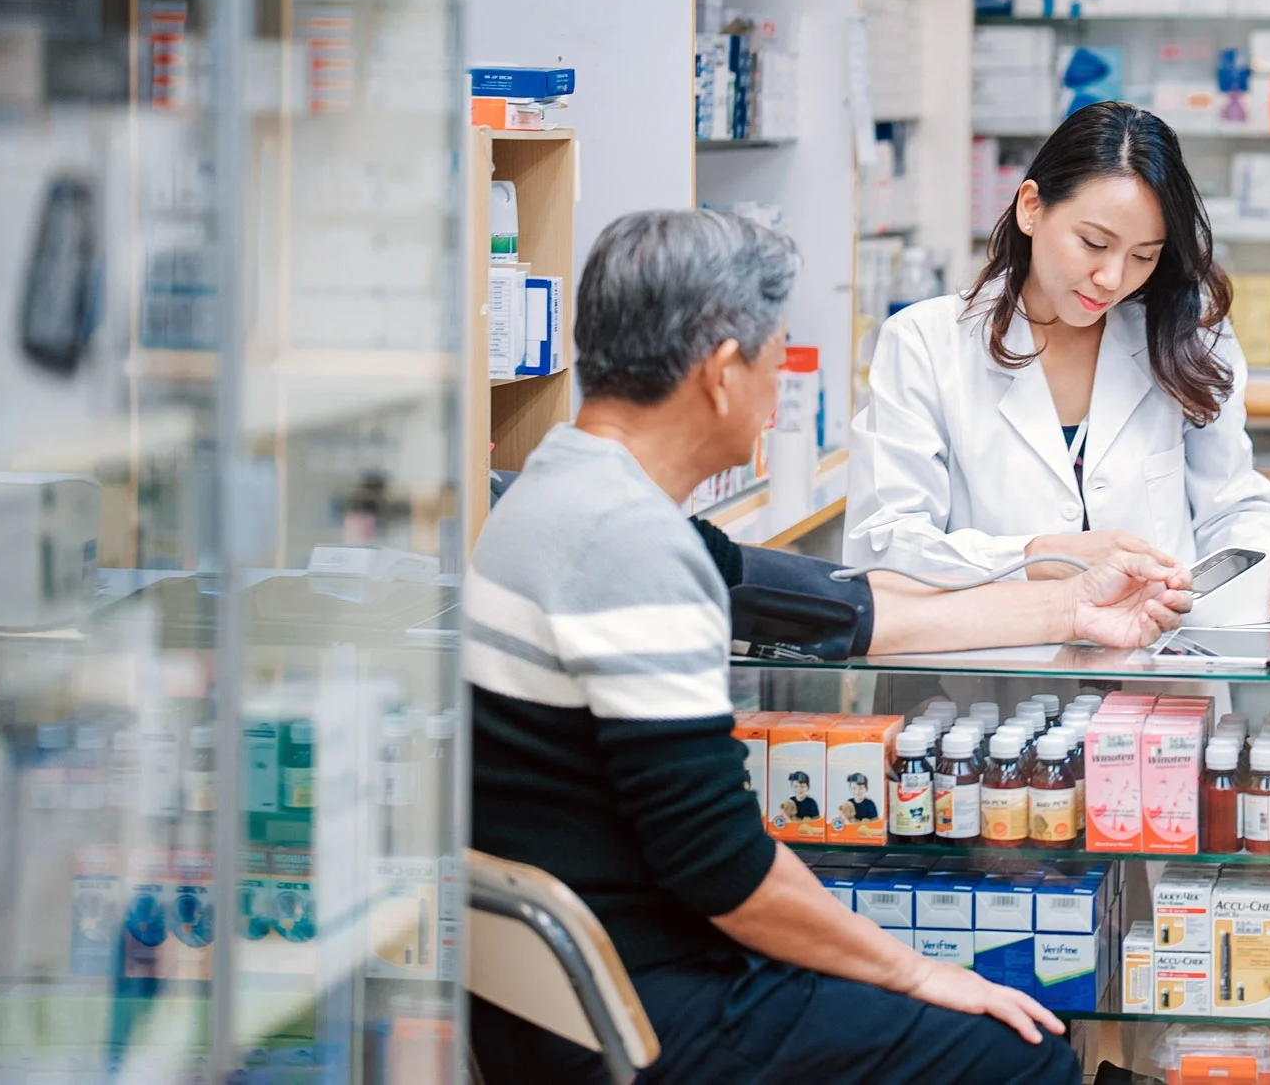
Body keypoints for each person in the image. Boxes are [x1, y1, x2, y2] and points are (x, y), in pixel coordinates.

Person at [465, 209, 1190, 1084]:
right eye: (778, 357)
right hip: (638, 1008)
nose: (782, 393)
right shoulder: (630, 548)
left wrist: (1074, 606)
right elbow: (725, 868)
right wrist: (921, 972)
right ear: (724, 373)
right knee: (1016, 1051)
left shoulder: (564, 488)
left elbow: (843, 611)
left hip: (565, 987)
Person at [848, 101, 1270, 615]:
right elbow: (884, 548)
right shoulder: (925, 343)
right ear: (1031, 208)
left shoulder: (1186, 332)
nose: (1112, 277)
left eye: (1143, 256)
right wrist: (1038, 554)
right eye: (1093, 243)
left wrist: (1261, 563)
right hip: (987, 674)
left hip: (1162, 669)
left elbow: (1233, 504)